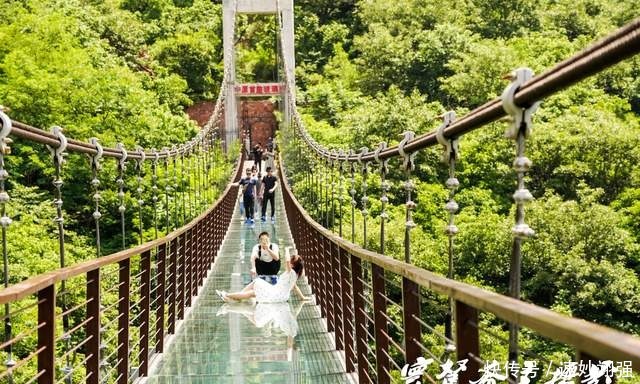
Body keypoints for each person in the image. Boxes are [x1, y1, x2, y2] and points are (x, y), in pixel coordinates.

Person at [217, 247, 307, 303]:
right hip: (277, 293)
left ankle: (227, 295)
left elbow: (287, 261)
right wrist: (303, 298)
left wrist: (287, 250)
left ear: (292, 265)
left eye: (291, 262)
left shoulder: (290, 272)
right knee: (256, 284)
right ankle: (235, 297)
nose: (288, 263)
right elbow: (295, 287)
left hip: (276, 295)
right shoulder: (293, 275)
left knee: (253, 291)